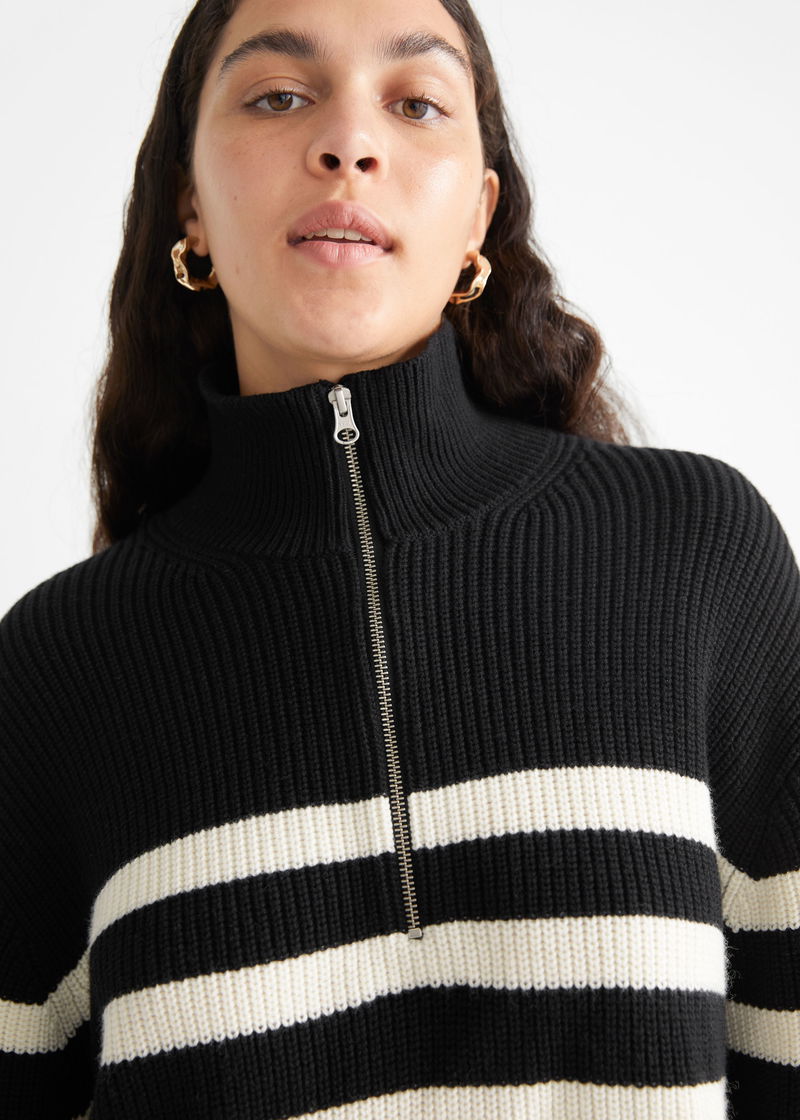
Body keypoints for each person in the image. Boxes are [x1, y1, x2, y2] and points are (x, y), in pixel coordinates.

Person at [1, 0, 797, 1116]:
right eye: (279, 96)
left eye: (415, 104)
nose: (348, 143)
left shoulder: (697, 554)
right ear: (189, 202)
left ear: (478, 215)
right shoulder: (53, 672)